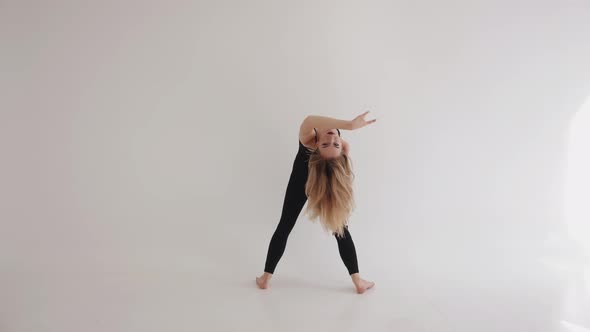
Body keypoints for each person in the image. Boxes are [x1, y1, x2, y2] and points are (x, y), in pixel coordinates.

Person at [256, 111, 377, 294]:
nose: (332, 138)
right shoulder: (328, 143)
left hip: (320, 182)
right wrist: (348, 127)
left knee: (340, 227)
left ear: (316, 145)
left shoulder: (309, 139)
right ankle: (265, 278)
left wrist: (349, 126)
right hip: (307, 181)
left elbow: (311, 121)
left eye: (330, 144)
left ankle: (358, 280)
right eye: (333, 143)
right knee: (286, 225)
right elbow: (313, 123)